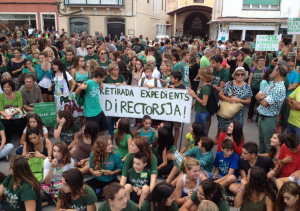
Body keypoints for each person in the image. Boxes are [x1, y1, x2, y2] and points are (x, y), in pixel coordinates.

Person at [256, 61, 287, 153]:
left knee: (268, 144)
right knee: (261, 141)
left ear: (278, 72)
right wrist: (262, 98)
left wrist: (261, 98)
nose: (272, 72)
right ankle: (261, 162)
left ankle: (268, 164)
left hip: (269, 119)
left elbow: (265, 103)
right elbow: (257, 95)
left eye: (274, 70)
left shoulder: (279, 88)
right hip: (262, 117)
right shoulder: (272, 84)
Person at [75, 67, 108, 135]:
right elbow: (76, 92)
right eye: (103, 78)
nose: (103, 79)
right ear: (98, 77)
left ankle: (96, 141)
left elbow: (92, 90)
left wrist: (99, 87)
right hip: (91, 112)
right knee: (92, 132)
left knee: (103, 128)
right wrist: (81, 88)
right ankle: (92, 142)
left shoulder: (97, 83)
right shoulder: (89, 82)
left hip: (99, 110)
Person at [218, 67, 252, 132]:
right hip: (227, 111)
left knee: (236, 132)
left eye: (242, 74)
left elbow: (249, 101)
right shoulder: (229, 84)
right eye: (238, 74)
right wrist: (228, 99)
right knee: (225, 131)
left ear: (244, 75)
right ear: (234, 75)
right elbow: (220, 94)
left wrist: (239, 100)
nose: (240, 75)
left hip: (239, 114)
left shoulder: (247, 87)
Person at [42, 141, 74, 206]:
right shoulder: (47, 161)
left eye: (58, 151)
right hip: (50, 183)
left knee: (67, 193)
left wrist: (62, 185)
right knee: (40, 193)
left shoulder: (70, 161)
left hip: (63, 183)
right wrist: (52, 167)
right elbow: (47, 181)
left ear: (64, 152)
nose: (55, 154)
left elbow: (70, 178)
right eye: (54, 151)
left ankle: (50, 202)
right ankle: (56, 200)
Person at [208, 54, 230, 140]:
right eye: (211, 62)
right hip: (210, 96)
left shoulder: (225, 72)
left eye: (213, 63)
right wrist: (210, 74)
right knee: (208, 116)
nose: (211, 64)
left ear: (219, 63)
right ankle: (206, 135)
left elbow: (221, 88)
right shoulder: (212, 70)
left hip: (218, 97)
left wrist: (210, 84)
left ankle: (218, 136)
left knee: (220, 119)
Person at [188, 67, 213, 136]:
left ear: (204, 76)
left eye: (199, 74)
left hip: (202, 112)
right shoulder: (204, 85)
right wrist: (193, 103)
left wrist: (194, 95)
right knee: (199, 129)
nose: (198, 75)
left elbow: (204, 103)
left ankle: (203, 143)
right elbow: (201, 98)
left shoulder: (206, 88)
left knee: (201, 130)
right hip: (200, 111)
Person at [281, 58, 299, 133]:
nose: (291, 67)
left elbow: (294, 85)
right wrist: (289, 85)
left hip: (288, 98)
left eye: (292, 65)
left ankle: (282, 133)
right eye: (289, 65)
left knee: (285, 117)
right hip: (279, 98)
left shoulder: (296, 74)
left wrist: (281, 89)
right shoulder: (281, 73)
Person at [247, 56, 267, 123]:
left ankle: (258, 118)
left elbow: (267, 80)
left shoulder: (265, 69)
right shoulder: (253, 69)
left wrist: (264, 76)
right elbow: (250, 78)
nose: (262, 62)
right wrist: (248, 87)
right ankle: (250, 116)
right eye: (260, 60)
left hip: (261, 89)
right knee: (252, 103)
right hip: (253, 87)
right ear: (257, 61)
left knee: (259, 103)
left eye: (263, 60)